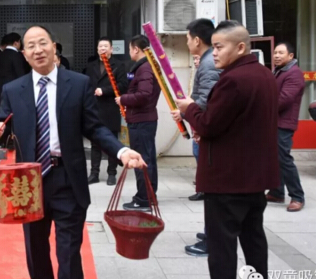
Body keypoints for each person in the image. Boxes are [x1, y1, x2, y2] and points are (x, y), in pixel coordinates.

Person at [0, 26, 145, 279]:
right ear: (24, 54)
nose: (38, 50)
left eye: (43, 43)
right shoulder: (13, 89)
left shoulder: (78, 83)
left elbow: (94, 127)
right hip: (29, 182)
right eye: (31, 46)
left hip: (67, 177)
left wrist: (121, 151)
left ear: (54, 46)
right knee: (35, 247)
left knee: (69, 249)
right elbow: (4, 122)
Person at [177, 20, 279, 279]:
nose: (215, 53)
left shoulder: (233, 80)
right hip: (255, 177)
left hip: (227, 178)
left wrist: (189, 109)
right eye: (214, 47)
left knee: (222, 245)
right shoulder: (265, 75)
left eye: (220, 47)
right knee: (253, 239)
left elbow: (209, 125)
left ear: (241, 47)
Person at [171, 19, 221, 257]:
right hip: (203, 126)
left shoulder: (209, 63)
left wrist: (186, 110)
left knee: (213, 190)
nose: (187, 42)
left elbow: (207, 100)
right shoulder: (208, 60)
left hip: (209, 132)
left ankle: (214, 238)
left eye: (188, 38)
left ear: (197, 40)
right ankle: (212, 232)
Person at [115, 35, 161, 211]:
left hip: (142, 120)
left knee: (142, 159)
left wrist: (123, 99)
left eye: (130, 49)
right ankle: (148, 195)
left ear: (136, 49)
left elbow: (144, 94)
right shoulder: (145, 66)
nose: (129, 52)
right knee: (147, 158)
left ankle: (144, 199)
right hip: (143, 119)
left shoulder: (145, 68)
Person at [266, 42, 306, 212]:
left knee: (284, 159)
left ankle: (297, 196)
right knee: (274, 158)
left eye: (281, 53)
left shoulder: (294, 73)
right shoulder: (279, 71)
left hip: (284, 123)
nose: (276, 56)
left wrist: (262, 106)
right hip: (274, 121)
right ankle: (277, 192)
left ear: (290, 56)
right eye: (275, 52)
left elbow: (284, 99)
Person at [84, 37, 128, 186]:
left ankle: (112, 173)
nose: (102, 48)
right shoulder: (91, 66)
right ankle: (94, 173)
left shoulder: (119, 65)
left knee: (112, 142)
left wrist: (105, 90)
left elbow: (123, 85)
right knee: (95, 143)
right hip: (94, 108)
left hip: (110, 108)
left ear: (111, 49)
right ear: (97, 50)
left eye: (105, 46)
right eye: (100, 46)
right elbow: (86, 84)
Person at [0, 32, 28, 116]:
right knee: (14, 116)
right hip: (14, 91)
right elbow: (20, 74)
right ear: (16, 43)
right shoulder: (17, 55)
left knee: (1, 116)